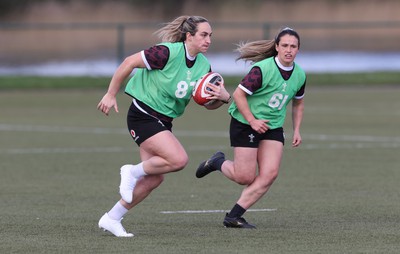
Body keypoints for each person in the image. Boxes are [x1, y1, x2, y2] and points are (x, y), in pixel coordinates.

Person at [97, 15, 231, 237]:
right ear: (189, 36)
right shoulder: (167, 52)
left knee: (155, 178)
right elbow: (129, 62)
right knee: (179, 159)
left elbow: (207, 104)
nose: (208, 40)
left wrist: (223, 97)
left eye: (210, 36)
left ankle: (112, 217)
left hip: (164, 121)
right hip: (143, 115)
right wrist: (111, 94)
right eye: (203, 35)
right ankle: (130, 171)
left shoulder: (203, 65)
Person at [196, 27, 306, 228]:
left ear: (298, 49)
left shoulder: (300, 75)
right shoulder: (262, 70)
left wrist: (296, 129)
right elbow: (238, 95)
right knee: (244, 177)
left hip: (272, 127)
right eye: (285, 46)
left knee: (270, 174)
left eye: (293, 46)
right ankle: (217, 162)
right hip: (245, 123)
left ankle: (234, 216)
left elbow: (298, 102)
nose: (289, 50)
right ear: (276, 47)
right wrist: (253, 120)